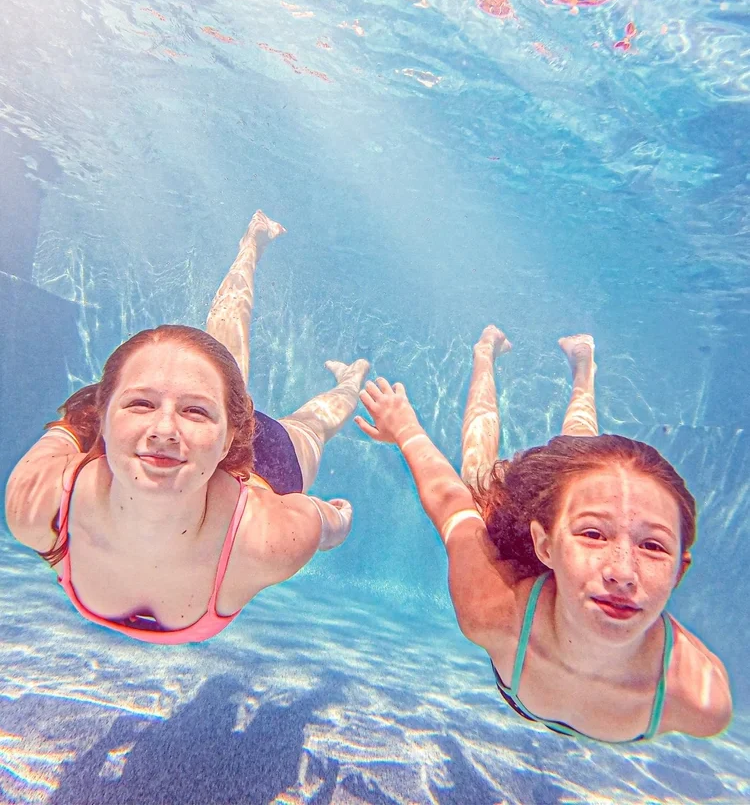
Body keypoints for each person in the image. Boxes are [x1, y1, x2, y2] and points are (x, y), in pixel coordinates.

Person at [5, 211, 369, 644]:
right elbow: (73, 421)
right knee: (222, 373)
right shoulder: (37, 502)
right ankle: (251, 243)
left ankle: (351, 379)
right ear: (102, 419)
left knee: (311, 425)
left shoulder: (268, 537)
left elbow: (326, 523)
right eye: (140, 403)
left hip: (262, 472)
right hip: (174, 434)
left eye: (194, 412)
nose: (163, 429)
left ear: (233, 434)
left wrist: (339, 521)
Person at [356, 328, 732, 741]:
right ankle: (485, 354)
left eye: (653, 545)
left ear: (680, 570)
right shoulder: (494, 611)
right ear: (544, 545)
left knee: (582, 467)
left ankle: (583, 369)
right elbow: (451, 502)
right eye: (594, 535)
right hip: (528, 539)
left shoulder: (699, 700)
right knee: (479, 480)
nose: (622, 573)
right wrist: (405, 429)